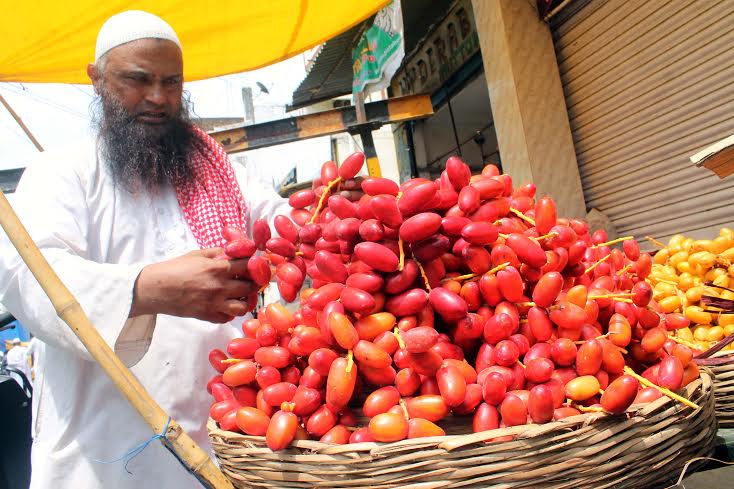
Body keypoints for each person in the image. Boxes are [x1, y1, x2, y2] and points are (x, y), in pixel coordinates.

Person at [0, 10, 288, 489]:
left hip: (224, 443)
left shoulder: (218, 171)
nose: (158, 97)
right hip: (105, 454)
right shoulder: (64, 171)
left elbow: (283, 226)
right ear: (96, 79)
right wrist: (146, 287)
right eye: (138, 80)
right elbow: (24, 275)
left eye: (171, 83)